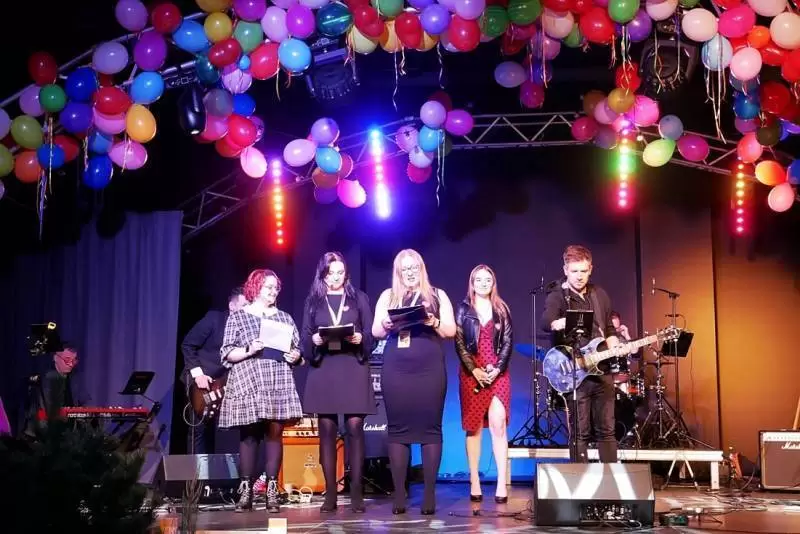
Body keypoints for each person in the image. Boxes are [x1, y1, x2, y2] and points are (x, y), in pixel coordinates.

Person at [372, 249, 456, 515]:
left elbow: (451, 331)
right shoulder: (388, 296)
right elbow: (375, 331)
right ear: (398, 272)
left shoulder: (437, 295)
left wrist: (433, 320)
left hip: (429, 370)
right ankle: (400, 494)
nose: (409, 273)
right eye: (404, 269)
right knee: (398, 430)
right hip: (397, 370)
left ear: (421, 269)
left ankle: (429, 494)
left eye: (413, 268)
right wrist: (386, 322)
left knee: (430, 429)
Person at [218, 269, 304, 513]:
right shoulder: (239, 317)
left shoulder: (285, 318)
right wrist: (249, 349)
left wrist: (296, 356)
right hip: (249, 380)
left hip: (277, 380)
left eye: (276, 288)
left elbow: (297, 352)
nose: (273, 292)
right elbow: (227, 353)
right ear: (256, 288)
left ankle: (271, 490)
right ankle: (245, 491)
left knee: (275, 434)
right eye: (268, 287)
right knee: (249, 435)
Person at [301, 252, 375, 513]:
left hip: (352, 365)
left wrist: (360, 338)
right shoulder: (313, 301)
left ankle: (356, 492)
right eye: (331, 273)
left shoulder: (358, 298)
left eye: (340, 273)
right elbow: (305, 337)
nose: (336, 277)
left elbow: (370, 334)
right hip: (325, 368)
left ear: (346, 274)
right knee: (327, 429)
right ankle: (330, 493)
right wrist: (314, 341)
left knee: (355, 426)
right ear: (323, 275)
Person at [542, 245, 626, 463]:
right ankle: (580, 479)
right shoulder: (558, 296)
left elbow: (609, 329)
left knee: (607, 429)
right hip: (576, 372)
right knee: (580, 431)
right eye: (574, 271)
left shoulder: (600, 295)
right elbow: (546, 321)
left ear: (590, 269)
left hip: (602, 369)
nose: (579, 276)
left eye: (583, 271)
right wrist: (557, 323)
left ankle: (609, 478)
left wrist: (615, 344)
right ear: (565, 270)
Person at [454, 265, 513, 504]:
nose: (483, 283)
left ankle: (501, 483)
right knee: (474, 428)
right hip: (472, 372)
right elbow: (459, 344)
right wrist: (475, 370)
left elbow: (508, 342)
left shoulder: (501, 309)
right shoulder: (464, 309)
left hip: (498, 372)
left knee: (499, 425)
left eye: (487, 279)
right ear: (472, 283)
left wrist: (497, 368)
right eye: (478, 280)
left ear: (493, 282)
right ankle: (475, 482)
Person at [181, 287, 247, 454]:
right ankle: (196, 471)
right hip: (201, 380)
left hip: (224, 384)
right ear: (232, 306)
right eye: (244, 306)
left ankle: (213, 469)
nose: (247, 311)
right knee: (199, 430)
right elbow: (188, 344)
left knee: (218, 431)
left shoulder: (246, 330)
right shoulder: (214, 319)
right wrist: (198, 375)